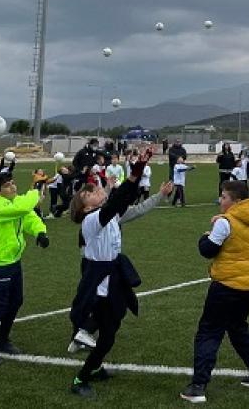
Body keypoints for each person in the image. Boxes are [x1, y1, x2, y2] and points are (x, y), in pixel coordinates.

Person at [67, 151, 174, 397]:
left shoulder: (108, 213)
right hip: (101, 281)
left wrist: (139, 168)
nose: (96, 190)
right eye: (90, 192)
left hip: (112, 277)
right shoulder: (92, 219)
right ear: (86, 205)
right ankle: (80, 378)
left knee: (113, 323)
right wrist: (135, 171)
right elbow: (117, 202)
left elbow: (126, 200)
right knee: (108, 334)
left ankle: (87, 346)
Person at [180, 181, 249, 403]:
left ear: (236, 201)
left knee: (209, 332)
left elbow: (207, 250)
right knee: (238, 326)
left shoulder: (226, 223)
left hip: (227, 284)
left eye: (224, 197)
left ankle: (198, 386)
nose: (221, 200)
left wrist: (206, 234)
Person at [0, 170, 50, 365]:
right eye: (7, 185)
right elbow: (24, 208)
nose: (13, 186)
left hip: (13, 261)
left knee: (15, 301)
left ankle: (2, 340)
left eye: (13, 183)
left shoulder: (15, 202)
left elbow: (30, 218)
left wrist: (40, 232)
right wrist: (35, 190)